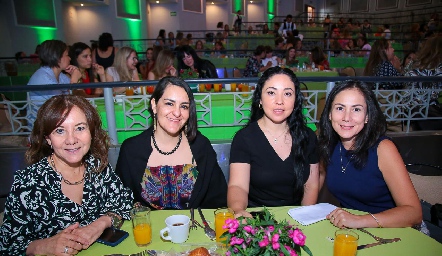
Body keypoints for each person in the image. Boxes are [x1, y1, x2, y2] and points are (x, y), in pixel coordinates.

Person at [0, 95, 133, 255]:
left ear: (91, 132)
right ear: (48, 138)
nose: (71, 140)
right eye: (60, 130)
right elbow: (7, 246)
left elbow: (123, 201)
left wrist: (100, 224)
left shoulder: (97, 167)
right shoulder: (28, 183)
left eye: (80, 128)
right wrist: (43, 246)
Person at [318, 80, 422, 229]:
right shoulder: (329, 146)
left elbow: (414, 213)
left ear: (367, 116)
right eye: (340, 108)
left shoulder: (383, 149)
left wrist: (359, 221)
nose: (347, 117)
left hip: (395, 231)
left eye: (356, 109)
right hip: (353, 232)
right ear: (329, 114)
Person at [115, 76, 227, 209]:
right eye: (169, 103)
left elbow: (219, 201)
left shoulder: (201, 146)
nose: (177, 112)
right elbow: (120, 204)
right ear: (154, 105)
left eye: (184, 106)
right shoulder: (131, 150)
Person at [227, 67, 320, 218]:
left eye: (287, 94)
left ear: (295, 100)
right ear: (260, 99)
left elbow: (311, 185)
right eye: (271, 92)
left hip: (295, 218)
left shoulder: (308, 136)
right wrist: (239, 211)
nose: (279, 101)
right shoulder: (244, 138)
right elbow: (238, 186)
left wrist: (305, 218)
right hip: (257, 218)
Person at [27, 40, 82, 127]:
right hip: (41, 127)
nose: (70, 58)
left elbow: (77, 93)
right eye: (67, 55)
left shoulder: (59, 75)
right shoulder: (43, 78)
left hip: (55, 120)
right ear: (57, 57)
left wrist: (75, 78)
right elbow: (62, 105)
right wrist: (74, 79)